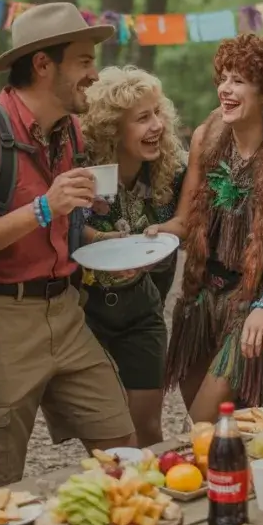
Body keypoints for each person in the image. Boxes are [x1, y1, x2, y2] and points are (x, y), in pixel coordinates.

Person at [0, 3, 135, 493]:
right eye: (85, 61)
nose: (94, 74)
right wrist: (42, 209)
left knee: (124, 451)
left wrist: (101, 245)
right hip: (0, 322)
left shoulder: (68, 132)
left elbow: (61, 226)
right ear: (44, 65)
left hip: (67, 313)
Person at [161, 32, 263, 420]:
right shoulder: (205, 138)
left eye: (239, 80)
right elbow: (184, 221)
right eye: (223, 78)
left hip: (258, 303)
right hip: (199, 301)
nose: (225, 89)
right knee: (226, 432)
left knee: (203, 422)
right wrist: (148, 239)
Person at [80, 66, 186, 446]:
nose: (157, 125)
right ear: (111, 129)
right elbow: (60, 227)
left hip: (142, 312)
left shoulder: (172, 170)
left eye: (158, 113)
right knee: (109, 437)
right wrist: (98, 238)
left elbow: (189, 221)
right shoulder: (81, 169)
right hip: (85, 316)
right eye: (143, 118)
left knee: (148, 432)